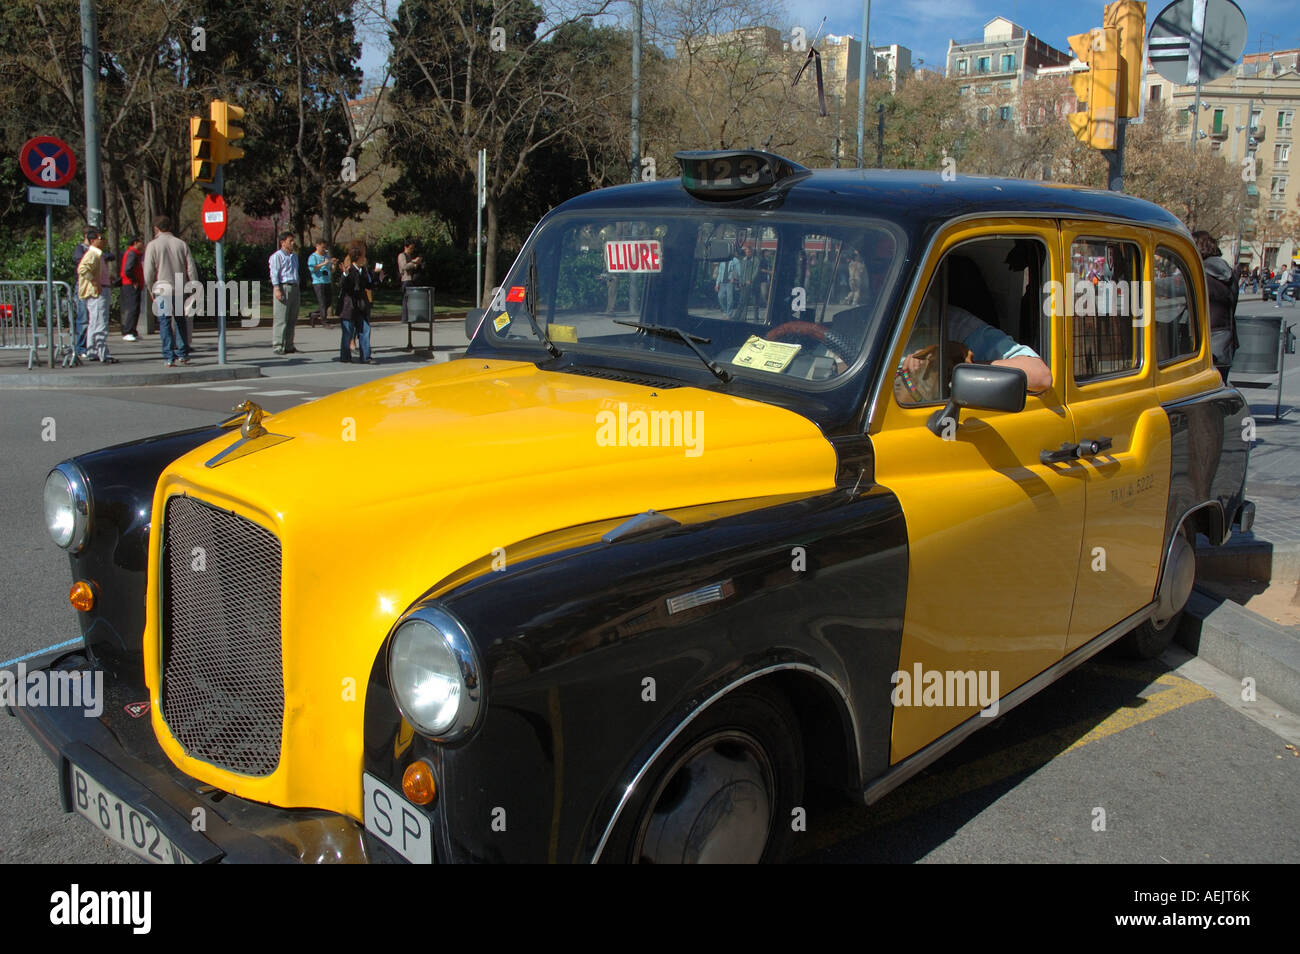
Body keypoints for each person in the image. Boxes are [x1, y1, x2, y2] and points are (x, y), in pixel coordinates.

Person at [142, 215, 197, 367]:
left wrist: (150, 288)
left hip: (162, 288)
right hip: (180, 287)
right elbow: (191, 268)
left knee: (165, 322)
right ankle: (183, 353)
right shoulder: (181, 244)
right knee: (180, 321)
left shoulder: (153, 246)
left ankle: (168, 356)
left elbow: (148, 271)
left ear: (156, 228)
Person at [1192, 231, 1238, 380]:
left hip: (1209, 340)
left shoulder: (1203, 274)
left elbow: (1176, 287)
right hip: (1226, 337)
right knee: (1220, 382)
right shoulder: (1228, 272)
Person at [76, 229, 116, 363]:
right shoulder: (92, 253)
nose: (103, 240)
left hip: (100, 289)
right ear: (93, 240)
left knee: (94, 322)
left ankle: (92, 351)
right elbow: (82, 269)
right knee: (100, 322)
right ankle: (103, 353)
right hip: (97, 292)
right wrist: (95, 282)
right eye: (101, 238)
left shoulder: (98, 254)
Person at [337, 241, 374, 364]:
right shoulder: (349, 270)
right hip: (349, 306)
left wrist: (377, 278)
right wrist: (345, 274)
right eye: (363, 256)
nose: (365, 258)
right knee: (347, 332)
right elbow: (343, 286)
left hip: (361, 306)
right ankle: (345, 356)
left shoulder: (363, 270)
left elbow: (368, 285)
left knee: (365, 329)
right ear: (358, 257)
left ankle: (366, 356)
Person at [269, 232, 301, 354]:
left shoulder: (294, 256)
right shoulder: (277, 256)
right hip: (283, 287)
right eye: (290, 241)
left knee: (292, 318)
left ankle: (289, 345)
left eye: (293, 240)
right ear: (283, 242)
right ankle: (278, 345)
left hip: (294, 287)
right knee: (281, 318)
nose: (293, 243)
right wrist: (277, 288)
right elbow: (274, 273)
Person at [119, 236, 145, 341]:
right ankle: (127, 331)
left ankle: (133, 330)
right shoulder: (132, 254)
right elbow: (128, 269)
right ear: (135, 243)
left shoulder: (135, 254)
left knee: (136, 308)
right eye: (140, 242)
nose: (142, 244)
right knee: (132, 308)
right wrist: (134, 280)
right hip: (130, 284)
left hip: (133, 283)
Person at [71, 229, 91, 357]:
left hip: (93, 286)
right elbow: (79, 260)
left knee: (91, 319)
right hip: (83, 286)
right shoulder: (80, 249)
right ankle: (80, 347)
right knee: (83, 318)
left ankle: (88, 346)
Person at [307, 240, 336, 327]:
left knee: (328, 302)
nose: (324, 249)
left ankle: (314, 314)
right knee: (322, 302)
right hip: (318, 282)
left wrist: (333, 264)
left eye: (325, 247)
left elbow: (331, 270)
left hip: (327, 281)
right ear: (317, 246)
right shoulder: (313, 257)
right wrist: (323, 263)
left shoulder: (326, 256)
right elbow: (312, 269)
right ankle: (324, 321)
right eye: (322, 247)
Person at [398, 239, 422, 322]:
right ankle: (405, 318)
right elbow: (404, 266)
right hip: (406, 279)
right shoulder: (402, 255)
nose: (411, 250)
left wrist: (417, 263)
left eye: (413, 248)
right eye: (410, 248)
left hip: (412, 279)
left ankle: (412, 317)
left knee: (412, 300)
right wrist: (413, 262)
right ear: (406, 247)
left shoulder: (410, 256)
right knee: (406, 299)